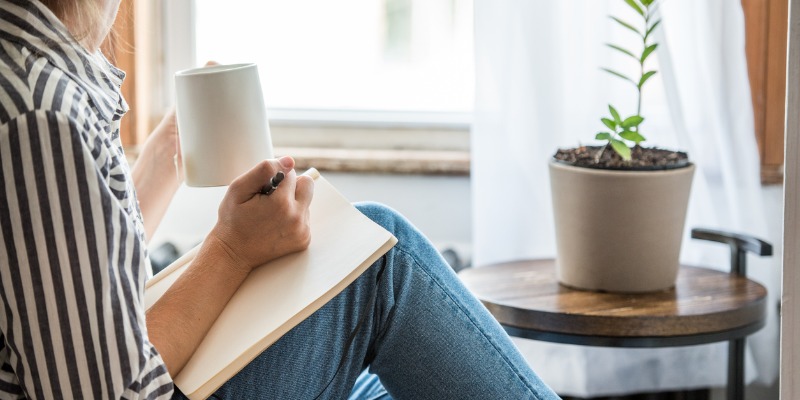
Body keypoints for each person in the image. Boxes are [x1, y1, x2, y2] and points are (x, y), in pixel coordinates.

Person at [0, 0, 561, 399]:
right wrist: (230, 249)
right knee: (383, 260)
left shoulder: (30, 67)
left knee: (389, 383)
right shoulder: (41, 114)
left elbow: (77, 283)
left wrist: (172, 147)